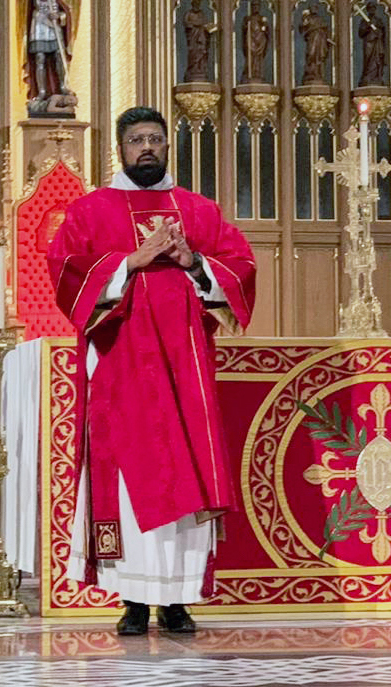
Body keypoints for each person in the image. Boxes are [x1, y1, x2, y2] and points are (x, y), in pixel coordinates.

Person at [48, 107, 257, 636]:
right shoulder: (91, 212)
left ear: (168, 147)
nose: (147, 148)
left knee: (186, 469)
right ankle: (135, 602)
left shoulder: (198, 210)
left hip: (185, 371)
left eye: (156, 140)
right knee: (129, 475)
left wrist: (192, 263)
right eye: (137, 139)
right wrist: (129, 262)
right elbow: (66, 271)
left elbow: (241, 268)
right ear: (120, 149)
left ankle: (179, 601)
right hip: (123, 367)